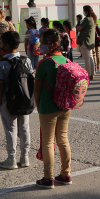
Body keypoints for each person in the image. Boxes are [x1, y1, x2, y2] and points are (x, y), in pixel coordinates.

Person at [34, 29, 73, 189]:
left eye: (43, 43)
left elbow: (37, 89)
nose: (40, 45)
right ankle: (66, 174)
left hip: (48, 107)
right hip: (65, 105)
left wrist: (38, 106)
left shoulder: (44, 63)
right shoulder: (66, 60)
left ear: (53, 44)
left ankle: (48, 177)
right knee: (63, 139)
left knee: (48, 143)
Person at [0, 30, 34, 169]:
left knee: (10, 129)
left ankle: (11, 158)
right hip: (25, 100)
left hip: (8, 101)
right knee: (24, 128)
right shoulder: (27, 60)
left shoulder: (2, 64)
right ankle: (25, 157)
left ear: (5, 45)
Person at [77, 6, 97, 80]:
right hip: (91, 41)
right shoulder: (93, 19)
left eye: (84, 11)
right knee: (91, 58)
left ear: (86, 11)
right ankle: (92, 74)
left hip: (85, 41)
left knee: (86, 59)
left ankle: (87, 75)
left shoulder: (87, 19)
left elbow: (79, 28)